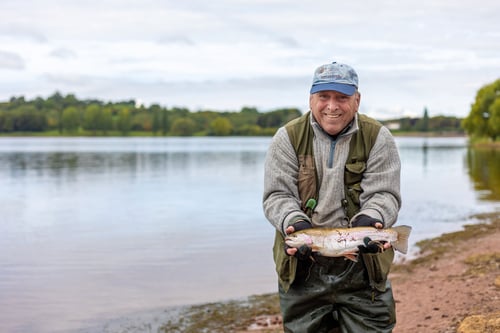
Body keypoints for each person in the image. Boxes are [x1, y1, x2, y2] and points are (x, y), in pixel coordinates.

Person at [263, 61, 402, 333]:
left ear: (357, 100)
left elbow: (384, 193)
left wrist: (372, 219)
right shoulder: (287, 138)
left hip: (363, 268)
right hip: (302, 266)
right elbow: (277, 196)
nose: (332, 106)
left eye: (342, 97)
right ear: (311, 98)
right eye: (324, 96)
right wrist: (296, 224)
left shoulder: (378, 138)